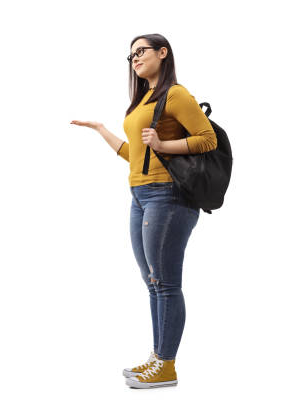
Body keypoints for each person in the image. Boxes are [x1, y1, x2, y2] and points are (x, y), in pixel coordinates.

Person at [71, 33, 216, 389]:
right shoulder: (143, 101)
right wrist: (102, 130)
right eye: (130, 55)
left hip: (168, 196)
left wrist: (164, 143)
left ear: (162, 53)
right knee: (153, 283)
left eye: (141, 52)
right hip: (139, 194)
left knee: (165, 284)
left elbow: (206, 138)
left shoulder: (176, 94)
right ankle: (157, 357)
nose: (135, 59)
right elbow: (136, 155)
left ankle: (166, 366)